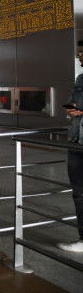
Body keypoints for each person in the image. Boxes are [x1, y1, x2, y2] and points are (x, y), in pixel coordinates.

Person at [59, 42, 83, 252]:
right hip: (76, 141)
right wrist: (71, 108)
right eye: (79, 53)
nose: (79, 57)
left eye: (82, 53)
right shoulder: (80, 79)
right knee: (79, 193)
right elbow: (71, 102)